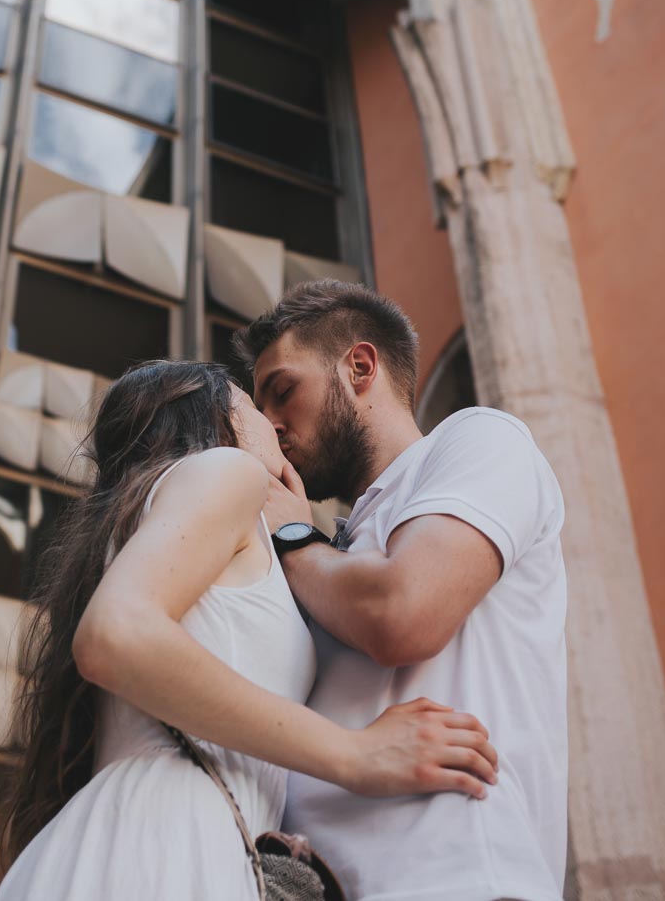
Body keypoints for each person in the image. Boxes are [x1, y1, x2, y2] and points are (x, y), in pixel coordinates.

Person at [0, 359, 499, 899]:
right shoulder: (227, 471)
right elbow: (115, 635)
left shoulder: (169, 519)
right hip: (166, 848)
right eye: (252, 406)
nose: (272, 425)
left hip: (158, 843)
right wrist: (356, 754)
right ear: (219, 419)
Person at [237, 280, 569, 901]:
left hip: (458, 878)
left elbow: (404, 613)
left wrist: (290, 536)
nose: (272, 427)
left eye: (283, 392)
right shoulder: (325, 555)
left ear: (360, 367)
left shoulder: (479, 440)